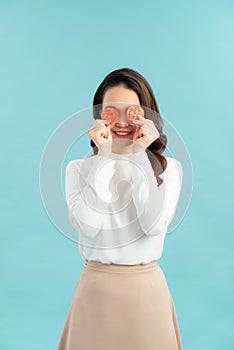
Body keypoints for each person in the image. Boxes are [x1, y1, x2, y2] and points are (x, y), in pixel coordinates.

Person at [57, 67, 184, 350]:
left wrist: (139, 155)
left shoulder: (168, 170)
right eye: (111, 111)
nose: (123, 122)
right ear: (98, 116)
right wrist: (103, 158)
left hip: (146, 293)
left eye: (134, 112)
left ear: (148, 115)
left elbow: (152, 225)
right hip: (95, 291)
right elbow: (89, 226)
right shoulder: (78, 169)